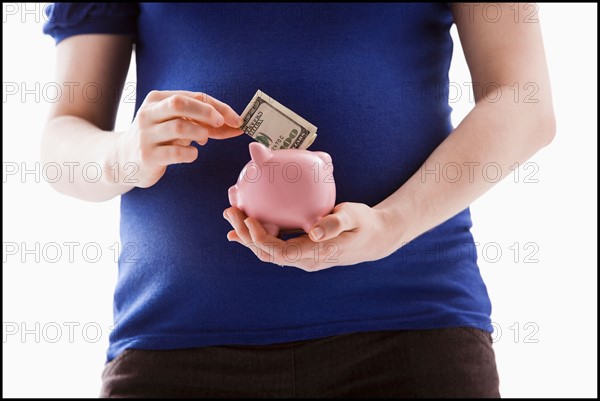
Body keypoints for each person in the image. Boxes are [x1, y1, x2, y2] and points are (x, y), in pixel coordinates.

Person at [42, 3, 554, 398]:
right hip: (173, 343)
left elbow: (524, 99)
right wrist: (123, 154)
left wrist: (393, 224)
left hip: (410, 331)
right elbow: (63, 141)